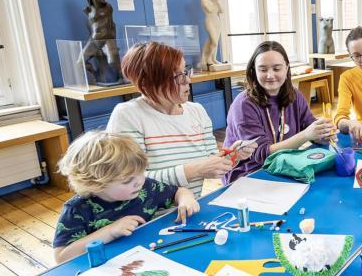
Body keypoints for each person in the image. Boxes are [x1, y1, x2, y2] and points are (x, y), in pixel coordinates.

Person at [107, 42, 256, 197]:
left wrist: (233, 155)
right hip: (147, 217)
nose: (188, 80)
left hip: (190, 209)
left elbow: (211, 162)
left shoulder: (197, 111)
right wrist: (195, 170)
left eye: (186, 72)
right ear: (147, 82)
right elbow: (128, 181)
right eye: (178, 76)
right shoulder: (127, 115)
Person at [53, 131, 200, 263]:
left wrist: (186, 199)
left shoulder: (146, 187)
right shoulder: (76, 210)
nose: (139, 182)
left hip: (145, 257)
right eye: (127, 180)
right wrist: (110, 231)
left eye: (142, 172)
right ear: (95, 184)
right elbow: (61, 257)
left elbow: (178, 192)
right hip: (103, 268)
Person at [224, 41, 337, 183]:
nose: (270, 75)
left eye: (277, 69)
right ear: (254, 70)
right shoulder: (243, 105)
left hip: (283, 168)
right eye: (263, 69)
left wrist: (323, 133)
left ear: (287, 68)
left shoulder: (294, 95)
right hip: (249, 174)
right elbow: (262, 155)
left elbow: (309, 125)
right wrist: (307, 134)